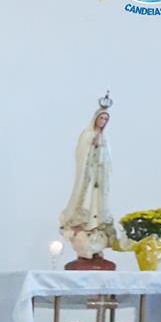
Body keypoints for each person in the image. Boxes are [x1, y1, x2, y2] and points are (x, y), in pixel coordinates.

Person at [59, 100, 117, 264]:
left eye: (106, 119)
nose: (103, 121)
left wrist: (102, 151)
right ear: (95, 118)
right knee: (85, 199)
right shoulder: (87, 134)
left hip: (100, 175)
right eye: (101, 118)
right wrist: (92, 146)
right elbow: (82, 154)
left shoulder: (105, 137)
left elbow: (108, 158)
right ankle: (84, 233)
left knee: (99, 202)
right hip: (89, 173)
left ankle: (97, 236)